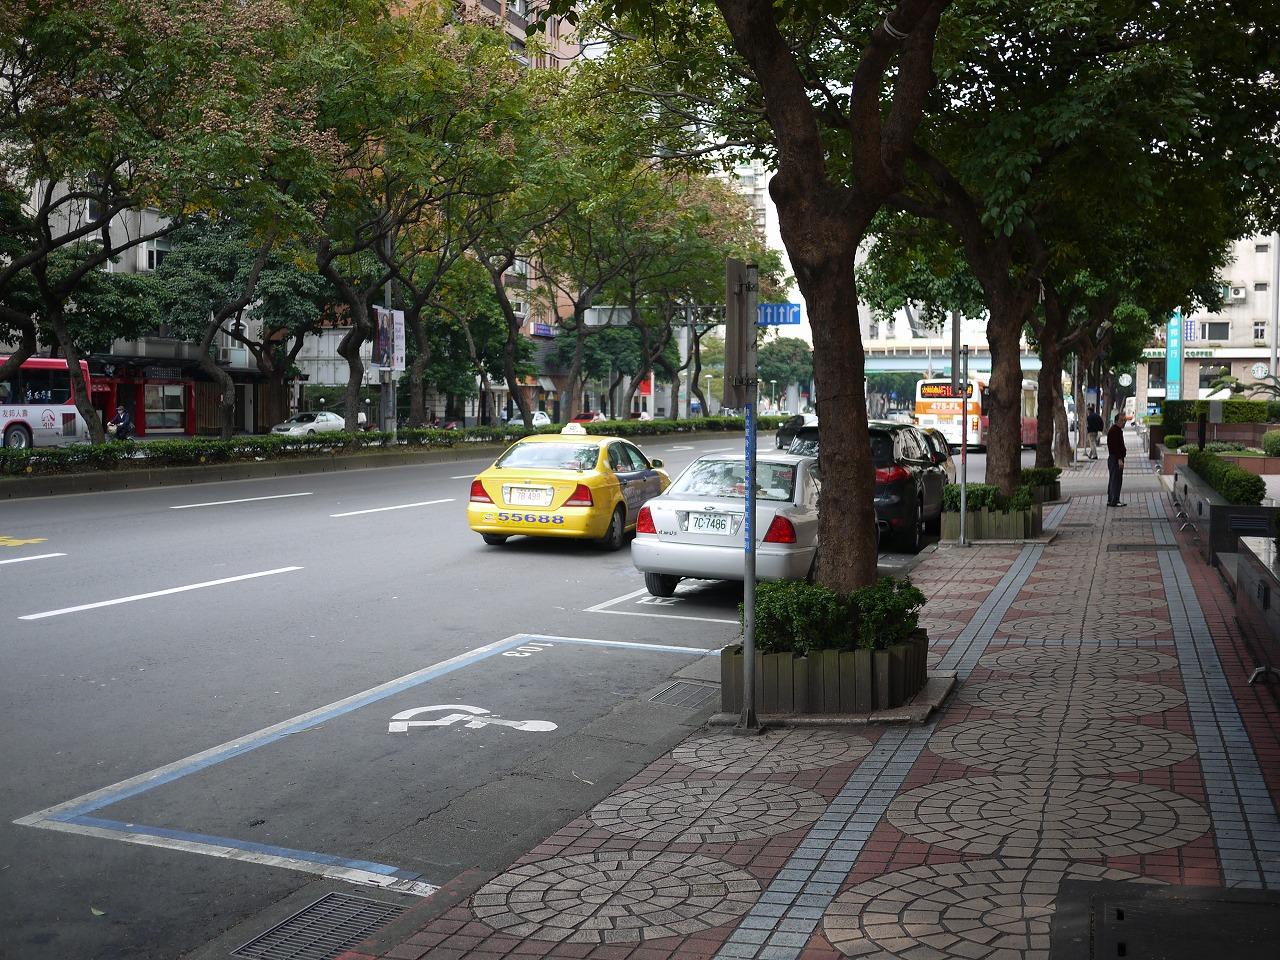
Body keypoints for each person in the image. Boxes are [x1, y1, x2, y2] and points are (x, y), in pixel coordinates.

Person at [1107, 412, 1127, 507]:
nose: (1124, 422)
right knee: (1116, 480)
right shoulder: (1114, 431)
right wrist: (1119, 459)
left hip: (1116, 458)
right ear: (1116, 421)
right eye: (1121, 420)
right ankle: (1114, 500)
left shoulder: (1117, 430)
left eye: (1124, 420)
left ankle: (1112, 499)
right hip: (1115, 458)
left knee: (1114, 479)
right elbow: (1115, 447)